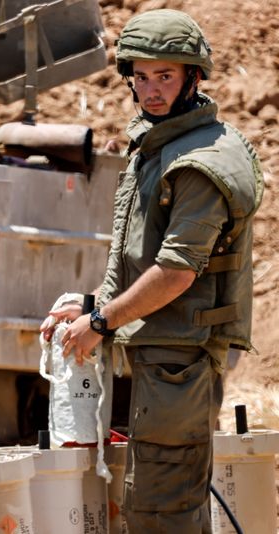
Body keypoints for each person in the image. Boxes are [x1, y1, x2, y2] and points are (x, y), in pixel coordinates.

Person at [41, 9, 263, 532]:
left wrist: (99, 324)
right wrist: (94, 304)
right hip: (159, 355)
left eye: (165, 76)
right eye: (141, 77)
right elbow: (136, 255)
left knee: (161, 512)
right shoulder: (160, 144)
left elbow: (175, 272)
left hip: (179, 363)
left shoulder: (200, 161)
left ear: (193, 78)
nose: (151, 90)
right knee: (158, 506)